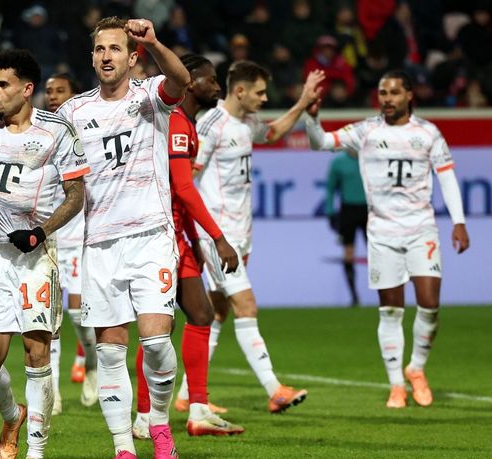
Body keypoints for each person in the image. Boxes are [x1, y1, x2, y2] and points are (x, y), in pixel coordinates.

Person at [0, 49, 88, 459]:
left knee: (37, 351)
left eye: (2, 84)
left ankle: (36, 452)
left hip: (36, 255)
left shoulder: (56, 131)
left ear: (26, 89)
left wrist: (41, 232)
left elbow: (76, 195)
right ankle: (12, 414)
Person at [56, 17, 189, 459]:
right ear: (92, 58)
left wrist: (155, 42)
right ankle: (122, 447)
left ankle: (159, 424)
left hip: (150, 236)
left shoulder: (150, 96)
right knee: (111, 352)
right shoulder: (73, 112)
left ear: (132, 58)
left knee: (156, 343)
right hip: (99, 244)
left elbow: (182, 80)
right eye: (99, 49)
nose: (106, 56)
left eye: (115, 48)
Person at [305, 69, 470, 408]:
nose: (387, 99)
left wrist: (459, 222)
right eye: (382, 93)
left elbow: (447, 177)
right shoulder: (366, 131)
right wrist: (312, 118)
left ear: (409, 95)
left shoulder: (428, 133)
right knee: (391, 311)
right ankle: (396, 385)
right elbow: (320, 142)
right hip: (382, 233)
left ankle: (416, 368)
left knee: (430, 304)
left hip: (421, 228)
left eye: (394, 92)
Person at [194, 60, 324, 413]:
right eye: (260, 92)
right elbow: (188, 176)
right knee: (246, 306)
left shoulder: (247, 122)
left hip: (241, 234)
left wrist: (303, 102)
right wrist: (205, 233)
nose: (265, 99)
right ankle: (274, 389)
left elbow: (274, 132)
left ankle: (190, 395)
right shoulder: (211, 124)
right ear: (240, 91)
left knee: (217, 313)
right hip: (219, 235)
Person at [132, 54, 244, 439]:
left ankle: (193, 410)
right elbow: (182, 188)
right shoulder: (177, 121)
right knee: (163, 325)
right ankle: (151, 415)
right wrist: (219, 238)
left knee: (197, 314)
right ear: (191, 82)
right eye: (211, 80)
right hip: (161, 236)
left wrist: (194, 241)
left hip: (177, 236)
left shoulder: (184, 122)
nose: (217, 87)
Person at [44, 73, 98, 413]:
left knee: (78, 313)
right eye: (49, 91)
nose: (52, 96)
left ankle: (92, 363)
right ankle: (52, 392)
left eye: (60, 91)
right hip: (47, 237)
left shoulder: (86, 133)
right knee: (49, 318)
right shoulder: (39, 133)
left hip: (77, 234)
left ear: (74, 95)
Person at [325, 151, 368, 306]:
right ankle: (354, 296)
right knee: (348, 252)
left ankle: (385, 293)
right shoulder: (338, 162)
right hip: (348, 210)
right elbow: (330, 188)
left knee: (377, 252)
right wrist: (330, 211)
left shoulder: (370, 158)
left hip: (369, 209)